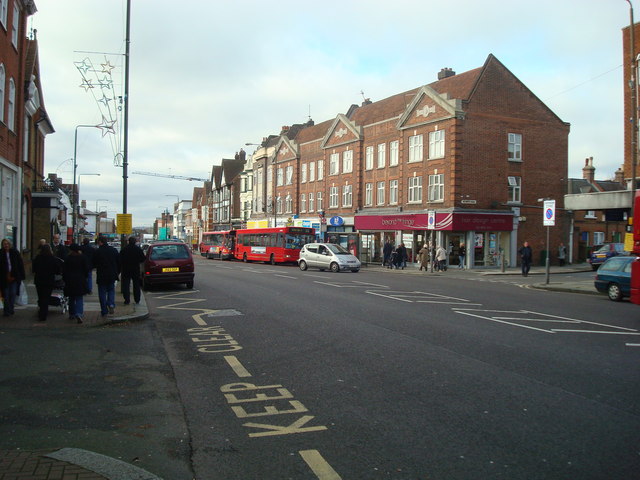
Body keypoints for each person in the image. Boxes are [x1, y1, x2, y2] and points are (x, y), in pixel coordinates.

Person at [32, 244, 62, 322]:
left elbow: (34, 269)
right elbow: (57, 270)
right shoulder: (52, 258)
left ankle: (41, 312)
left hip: (39, 280)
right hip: (49, 280)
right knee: (46, 297)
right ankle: (43, 314)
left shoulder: (37, 258)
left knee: (41, 297)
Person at [93, 236, 121, 317]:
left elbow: (94, 263)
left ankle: (104, 311)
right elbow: (119, 262)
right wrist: (117, 272)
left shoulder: (98, 251)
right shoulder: (113, 250)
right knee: (111, 290)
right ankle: (111, 303)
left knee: (102, 293)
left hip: (101, 275)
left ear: (100, 242)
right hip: (112, 274)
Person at [63, 243, 89, 323]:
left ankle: (72, 314)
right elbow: (86, 269)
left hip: (70, 280)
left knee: (71, 298)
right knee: (79, 297)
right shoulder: (82, 258)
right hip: (80, 279)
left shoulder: (67, 258)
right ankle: (79, 313)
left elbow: (64, 270)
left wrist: (65, 279)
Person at [0, 238, 26, 317]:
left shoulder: (15, 252)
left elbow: (20, 264)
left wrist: (21, 276)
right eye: (4, 244)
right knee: (6, 295)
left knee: (13, 293)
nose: (6, 245)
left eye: (7, 244)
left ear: (10, 244)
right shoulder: (0, 253)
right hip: (4, 278)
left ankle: (11, 308)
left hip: (14, 277)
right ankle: (6, 310)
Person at [120, 236, 145, 305]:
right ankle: (137, 299)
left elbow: (120, 259)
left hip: (126, 269)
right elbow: (143, 259)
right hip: (135, 269)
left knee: (126, 285)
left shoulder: (124, 249)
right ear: (135, 242)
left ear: (128, 241)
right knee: (136, 285)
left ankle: (127, 300)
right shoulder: (138, 249)